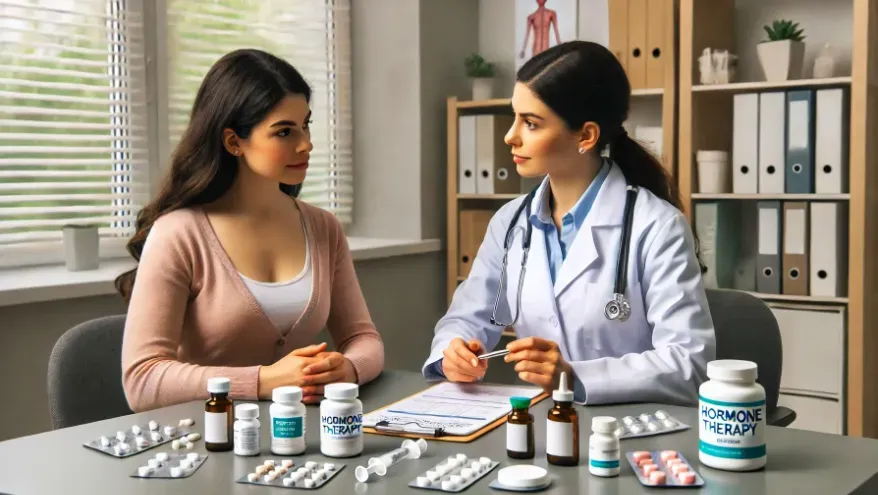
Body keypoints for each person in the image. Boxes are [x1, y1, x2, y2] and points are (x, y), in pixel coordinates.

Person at [423, 41, 715, 406]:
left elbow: (690, 362)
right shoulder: (511, 223)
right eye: (515, 117)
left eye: (530, 123)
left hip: (631, 431)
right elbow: (468, 318)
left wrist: (574, 376)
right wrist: (454, 351)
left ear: (586, 136)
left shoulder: (656, 226)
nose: (509, 136)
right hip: (544, 428)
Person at [117, 49, 384, 412]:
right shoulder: (178, 235)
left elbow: (363, 338)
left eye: (305, 125)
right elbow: (143, 381)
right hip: (203, 442)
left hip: (297, 443)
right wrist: (264, 381)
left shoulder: (323, 228)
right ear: (233, 142)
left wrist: (347, 368)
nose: (305, 144)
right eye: (284, 132)